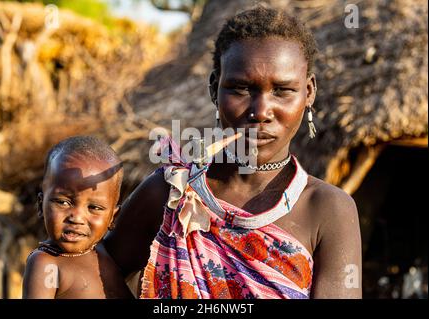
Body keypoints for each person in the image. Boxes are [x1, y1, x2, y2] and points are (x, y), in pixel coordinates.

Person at [104, 6, 362, 299]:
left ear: (309, 92)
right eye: (241, 88)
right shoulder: (170, 193)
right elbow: (88, 274)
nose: (261, 111)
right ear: (215, 88)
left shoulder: (328, 209)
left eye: (283, 90)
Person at [23, 136, 132, 299]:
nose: (77, 218)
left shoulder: (104, 252)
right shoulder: (46, 264)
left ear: (112, 218)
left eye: (94, 207)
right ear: (40, 205)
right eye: (63, 202)